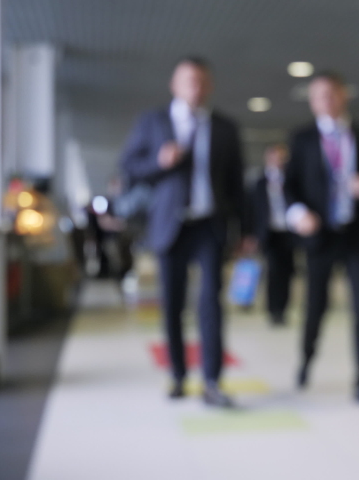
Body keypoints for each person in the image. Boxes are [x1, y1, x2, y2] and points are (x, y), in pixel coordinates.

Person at [121, 57, 251, 407]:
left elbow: (237, 183)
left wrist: (247, 230)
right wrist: (159, 163)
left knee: (211, 303)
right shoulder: (153, 122)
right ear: (174, 85)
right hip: (170, 225)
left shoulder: (225, 127)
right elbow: (130, 168)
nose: (195, 87)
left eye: (201, 81)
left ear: (208, 86)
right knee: (173, 304)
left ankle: (212, 381)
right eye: (188, 81)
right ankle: (178, 375)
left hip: (210, 224)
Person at [284, 71, 359, 406]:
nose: (325, 101)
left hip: (356, 235)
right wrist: (300, 215)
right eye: (318, 96)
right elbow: (290, 187)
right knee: (315, 306)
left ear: (344, 95)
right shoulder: (302, 139)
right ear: (312, 102)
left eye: (331, 94)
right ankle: (306, 360)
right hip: (320, 237)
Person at [250, 144, 296, 325]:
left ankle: (283, 309)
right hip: (269, 233)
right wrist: (250, 235)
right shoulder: (259, 182)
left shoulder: (292, 180)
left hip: (289, 232)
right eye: (275, 157)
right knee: (274, 271)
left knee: (287, 272)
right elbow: (252, 210)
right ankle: (273, 310)